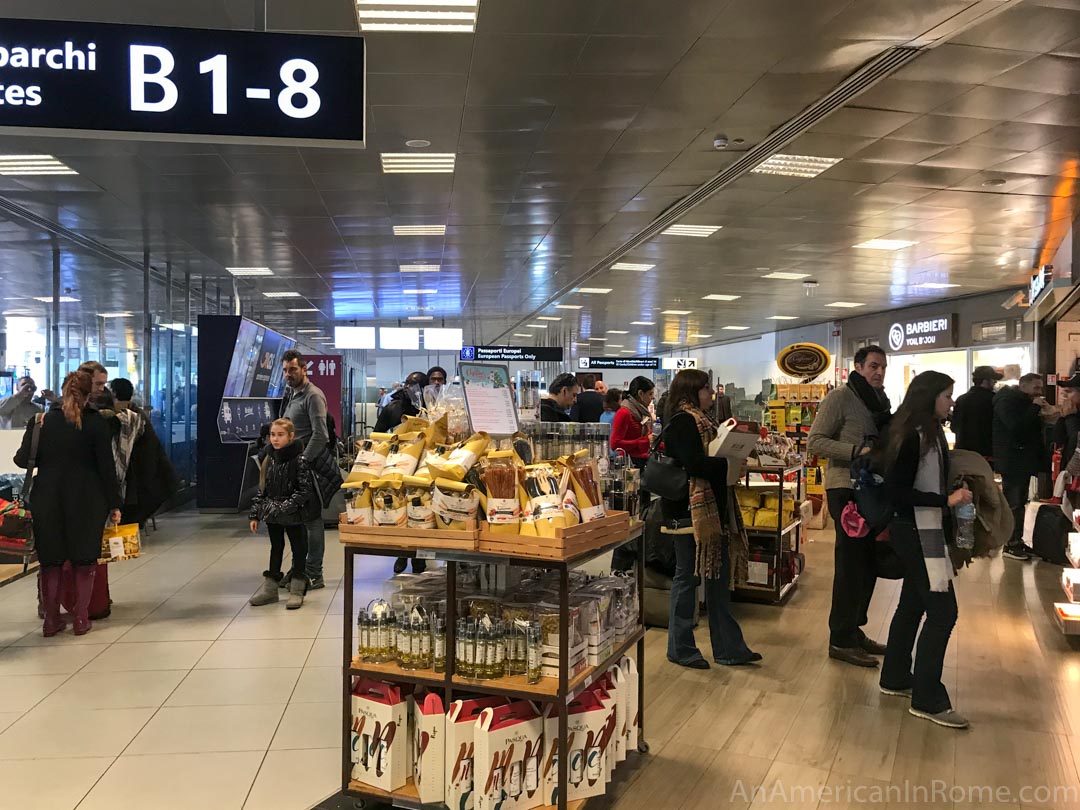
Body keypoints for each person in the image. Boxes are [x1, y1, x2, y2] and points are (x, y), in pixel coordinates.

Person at [877, 370, 972, 729]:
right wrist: (946, 499)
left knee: (913, 603)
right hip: (916, 529)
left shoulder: (924, 433)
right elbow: (897, 491)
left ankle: (896, 675)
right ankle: (927, 697)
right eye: (947, 395)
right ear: (929, 396)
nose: (951, 402)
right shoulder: (916, 436)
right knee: (943, 610)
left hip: (919, 528)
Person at [661, 369, 758, 669]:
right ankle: (681, 648)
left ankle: (728, 647)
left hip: (713, 511)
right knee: (687, 578)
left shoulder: (704, 421)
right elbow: (695, 464)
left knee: (717, 577)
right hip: (688, 513)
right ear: (692, 391)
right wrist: (728, 464)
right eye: (706, 389)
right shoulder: (682, 421)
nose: (711, 395)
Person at [15, 371, 121, 636]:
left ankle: (51, 620)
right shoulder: (96, 423)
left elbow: (21, 460)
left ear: (62, 392)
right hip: (87, 499)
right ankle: (81, 618)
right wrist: (115, 503)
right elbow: (107, 468)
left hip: (47, 497)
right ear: (88, 395)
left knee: (50, 561)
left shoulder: (40, 422)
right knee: (84, 559)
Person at [807, 345, 892, 668]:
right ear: (857, 367)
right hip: (845, 488)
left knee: (867, 563)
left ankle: (854, 629)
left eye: (882, 366)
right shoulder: (840, 398)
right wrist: (857, 450)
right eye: (873, 366)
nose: (879, 372)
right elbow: (815, 441)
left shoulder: (881, 402)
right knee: (850, 563)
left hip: (871, 491)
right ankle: (840, 638)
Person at [280, 349, 337, 589]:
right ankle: (299, 568)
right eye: (285, 370)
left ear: (304, 369)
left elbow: (321, 434)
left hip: (308, 470)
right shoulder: (293, 395)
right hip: (293, 469)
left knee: (312, 522)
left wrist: (303, 461)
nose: (288, 374)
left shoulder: (313, 395)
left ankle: (315, 573)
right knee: (297, 522)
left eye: (292, 369)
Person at [249, 419, 315, 609]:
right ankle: (270, 591)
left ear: (291, 436)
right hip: (272, 513)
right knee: (275, 547)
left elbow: (304, 490)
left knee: (299, 548)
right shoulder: (269, 458)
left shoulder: (300, 460)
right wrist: (255, 514)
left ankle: (296, 589)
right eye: (272, 435)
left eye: (280, 435)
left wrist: (286, 506)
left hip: (293, 513)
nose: (275, 439)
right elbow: (263, 489)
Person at [993, 373, 1046, 561]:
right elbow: (1016, 427)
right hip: (1013, 461)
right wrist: (1034, 408)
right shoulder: (1008, 402)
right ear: (1024, 386)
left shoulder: (1020, 402)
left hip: (1021, 460)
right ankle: (1010, 543)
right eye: (1036, 388)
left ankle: (1017, 540)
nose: (1039, 392)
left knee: (1019, 502)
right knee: (1014, 503)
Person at [951, 366, 1002, 459]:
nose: (995, 382)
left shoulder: (961, 399)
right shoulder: (993, 399)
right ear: (985, 380)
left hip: (963, 450)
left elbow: (954, 427)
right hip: (986, 452)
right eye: (993, 379)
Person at [611, 377, 655, 467]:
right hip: (630, 464)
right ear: (641, 394)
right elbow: (615, 444)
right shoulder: (624, 413)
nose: (653, 397)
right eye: (650, 394)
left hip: (642, 461)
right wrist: (644, 441)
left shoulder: (642, 412)